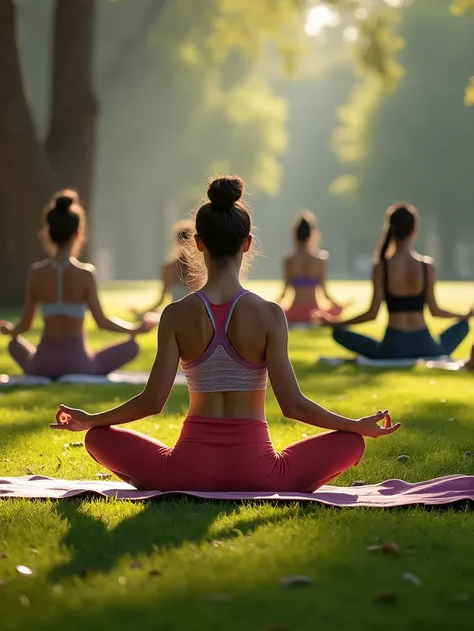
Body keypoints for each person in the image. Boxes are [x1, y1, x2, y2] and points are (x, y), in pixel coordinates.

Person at [51, 176, 400, 493]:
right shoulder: (269, 315)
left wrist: (92, 420)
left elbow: (152, 402)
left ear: (199, 244)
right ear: (247, 244)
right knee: (352, 443)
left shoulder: (176, 315)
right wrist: (355, 425)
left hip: (185, 472)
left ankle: (144, 467)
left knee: (97, 438)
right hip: (261, 474)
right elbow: (293, 406)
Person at [0, 190, 154, 379]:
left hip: (41, 364)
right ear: (77, 234)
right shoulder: (85, 274)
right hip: (78, 364)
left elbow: (25, 325)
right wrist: (134, 329)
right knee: (132, 346)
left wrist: (9, 330)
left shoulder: (36, 273)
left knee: (13, 343)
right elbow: (102, 321)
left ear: (48, 233)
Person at [326, 203, 471, 361]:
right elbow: (435, 310)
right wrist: (464, 315)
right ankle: (439, 347)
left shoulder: (382, 267)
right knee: (463, 326)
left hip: (393, 346)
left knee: (338, 333)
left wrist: (336, 323)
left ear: (390, 230)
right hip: (425, 345)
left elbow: (372, 313)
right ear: (414, 231)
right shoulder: (426, 266)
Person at [278, 211, 345, 326]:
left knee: (277, 313)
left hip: (294, 312)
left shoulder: (289, 259)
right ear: (312, 234)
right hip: (313, 313)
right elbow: (325, 292)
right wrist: (340, 305)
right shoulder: (320, 259)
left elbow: (284, 293)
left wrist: (269, 306)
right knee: (336, 311)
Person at [132, 220, 192, 320]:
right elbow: (161, 300)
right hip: (180, 315)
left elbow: (161, 301)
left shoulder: (199, 269)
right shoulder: (170, 267)